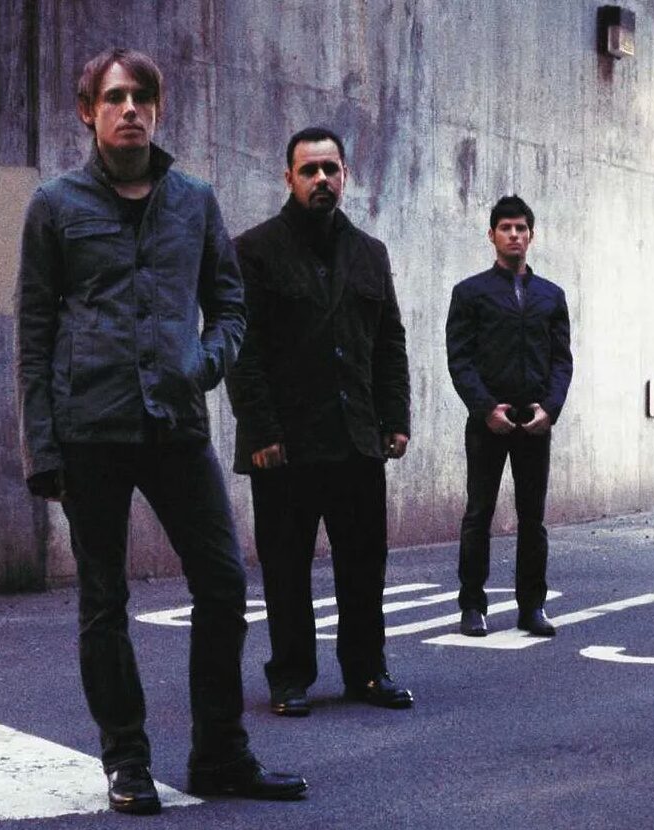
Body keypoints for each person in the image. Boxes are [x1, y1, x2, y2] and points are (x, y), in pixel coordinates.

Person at [15, 48, 305, 814]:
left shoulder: (194, 201)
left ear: (158, 109)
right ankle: (127, 761)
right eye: (115, 97)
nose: (130, 109)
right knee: (103, 600)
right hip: (90, 429)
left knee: (223, 582)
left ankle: (220, 755)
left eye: (142, 96)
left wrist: (206, 361)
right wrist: (41, 447)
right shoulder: (55, 205)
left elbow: (230, 305)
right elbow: (34, 331)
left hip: (176, 424)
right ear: (89, 111)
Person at [226, 126, 414, 717]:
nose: (321, 180)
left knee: (365, 566)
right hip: (286, 444)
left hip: (357, 438)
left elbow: (389, 342)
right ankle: (290, 677)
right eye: (309, 171)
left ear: (345, 176)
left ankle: (367, 672)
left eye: (330, 169)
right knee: (286, 568)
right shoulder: (254, 250)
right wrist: (261, 430)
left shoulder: (370, 253)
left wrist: (396, 417)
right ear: (289, 178)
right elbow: (241, 348)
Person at [445, 195, 573, 638]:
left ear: (531, 236)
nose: (514, 235)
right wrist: (485, 408)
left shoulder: (551, 296)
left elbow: (561, 360)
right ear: (492, 235)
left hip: (535, 421)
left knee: (532, 518)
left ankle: (532, 607)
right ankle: (472, 606)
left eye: (521, 228)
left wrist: (550, 409)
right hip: (488, 421)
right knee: (478, 513)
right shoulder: (470, 293)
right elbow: (460, 359)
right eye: (506, 228)